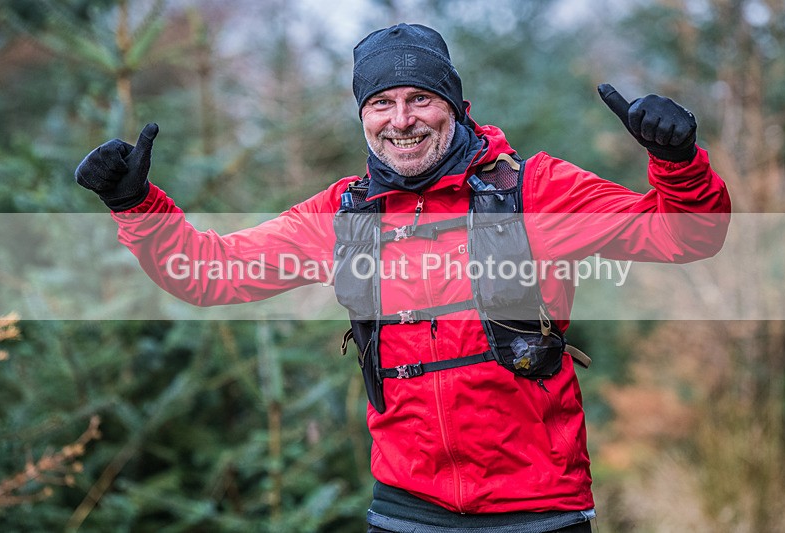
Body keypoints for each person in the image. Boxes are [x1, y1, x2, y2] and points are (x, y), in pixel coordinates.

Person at [75, 23, 731, 533]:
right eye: (382, 102)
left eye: (420, 98)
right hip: (407, 509)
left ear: (457, 105)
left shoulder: (537, 189)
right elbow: (208, 274)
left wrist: (678, 164)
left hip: (539, 508)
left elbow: (687, 236)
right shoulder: (342, 214)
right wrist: (138, 206)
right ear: (363, 116)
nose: (402, 118)